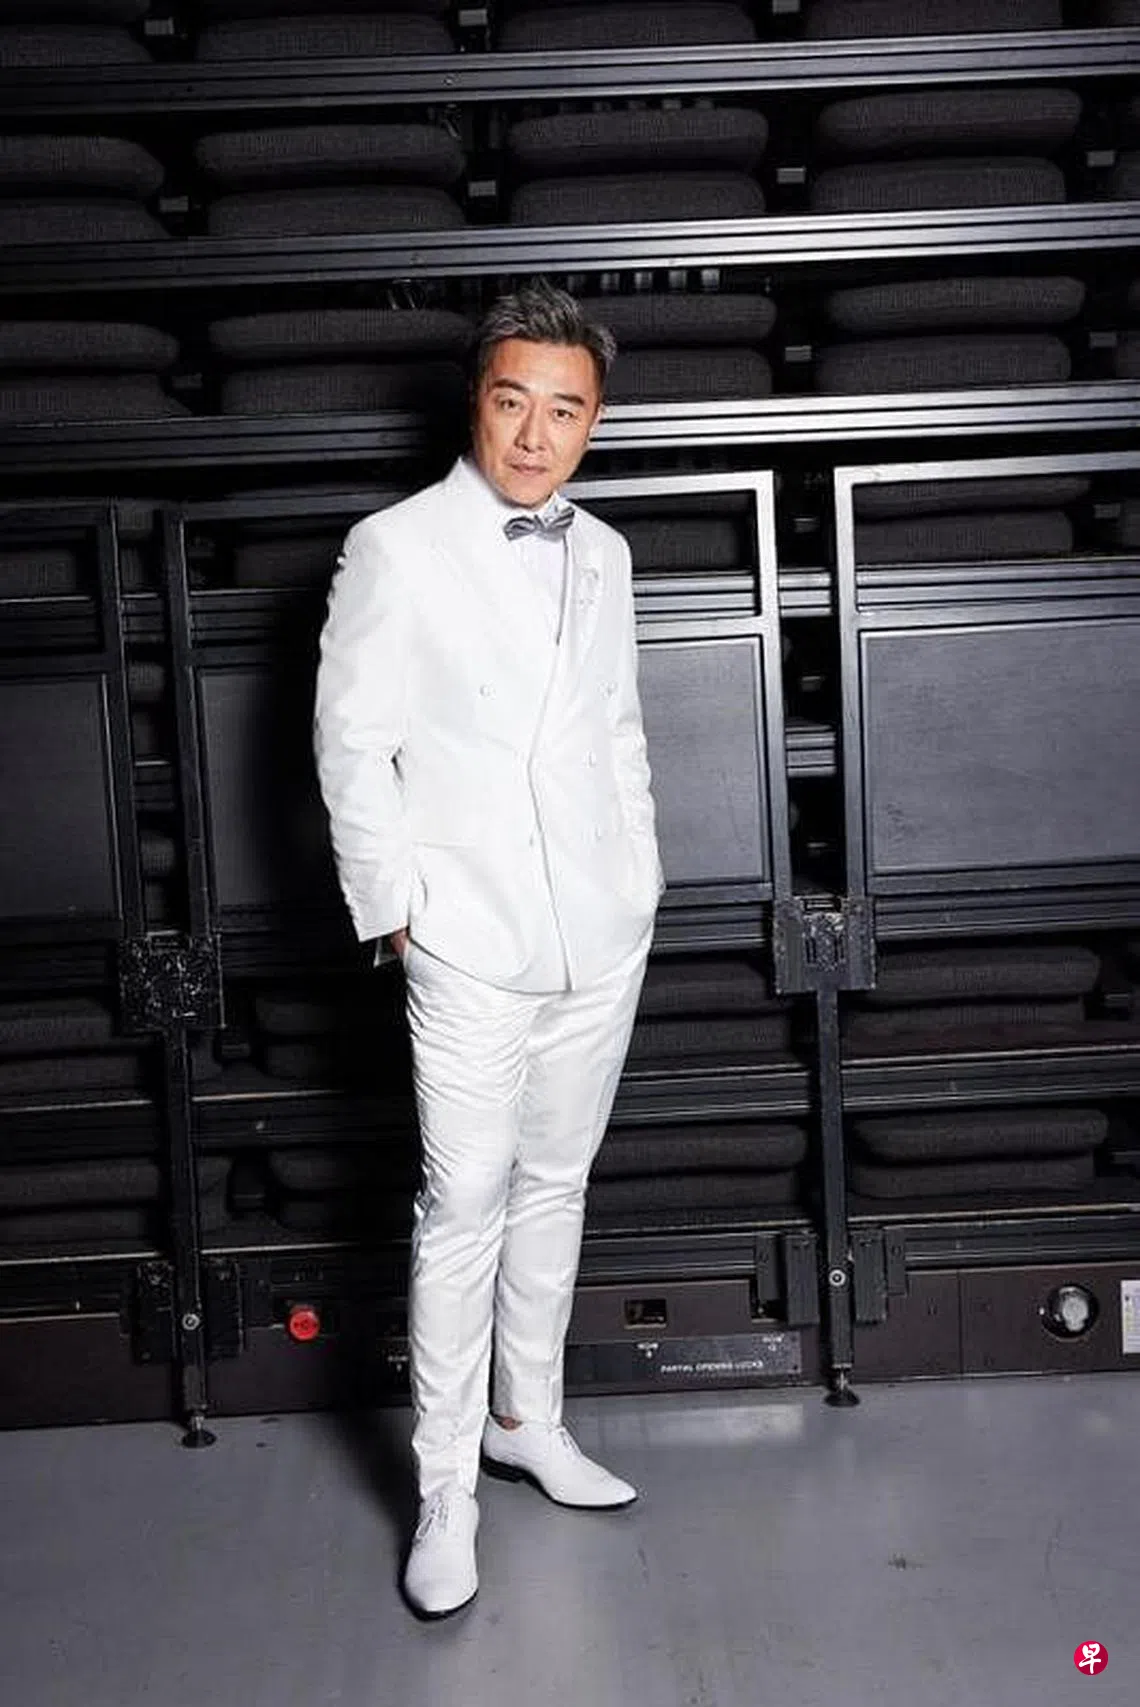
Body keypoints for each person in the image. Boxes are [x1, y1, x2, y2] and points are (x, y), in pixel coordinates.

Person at [313, 280, 663, 1619]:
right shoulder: (394, 546)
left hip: (598, 932)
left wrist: (638, 878)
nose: (533, 434)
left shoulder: (606, 552)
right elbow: (352, 743)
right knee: (462, 1204)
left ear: (593, 421)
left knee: (557, 1181)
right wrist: (393, 908)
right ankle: (446, 1487)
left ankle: (530, 1419)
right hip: (464, 935)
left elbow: (617, 730)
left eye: (562, 410)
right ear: (477, 400)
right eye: (512, 401)